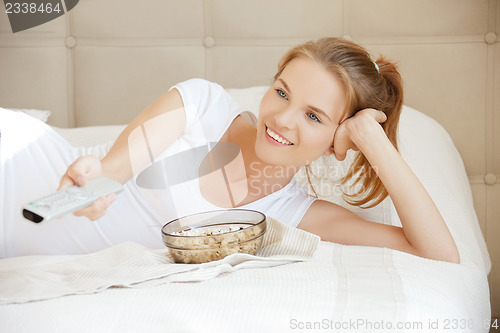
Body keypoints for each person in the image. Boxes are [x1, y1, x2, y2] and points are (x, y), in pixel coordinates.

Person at [0, 37, 460, 263]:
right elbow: (119, 164)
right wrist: (97, 180)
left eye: (314, 116)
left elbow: (440, 255)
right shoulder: (200, 105)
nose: (281, 119)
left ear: (340, 142)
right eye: (281, 92)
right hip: (16, 161)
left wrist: (373, 142)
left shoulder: (291, 212)